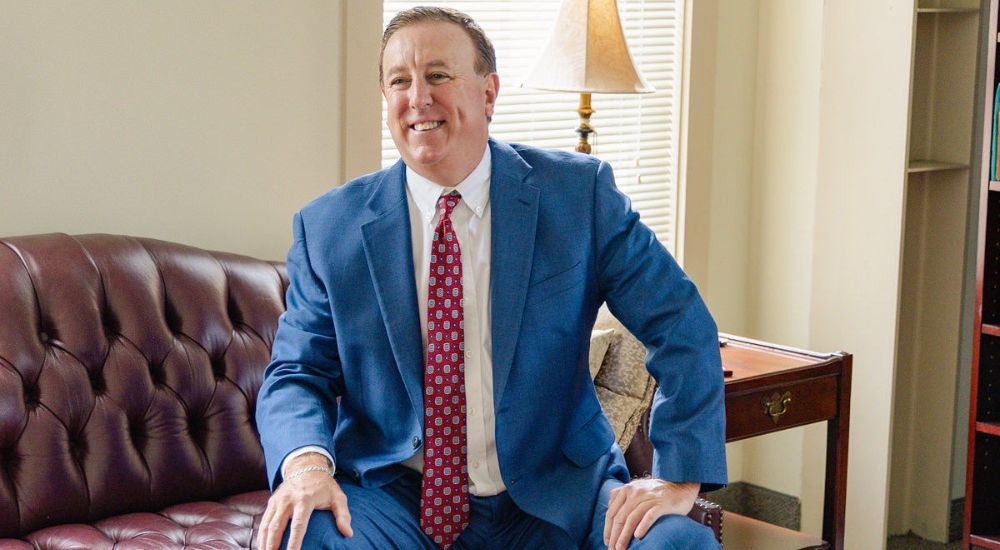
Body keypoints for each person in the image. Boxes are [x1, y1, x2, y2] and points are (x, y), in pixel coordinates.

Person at [255, 6, 726, 550]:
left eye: (438, 75)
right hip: (398, 497)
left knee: (677, 545)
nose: (418, 98)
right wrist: (307, 468)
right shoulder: (330, 227)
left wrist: (677, 476)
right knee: (302, 534)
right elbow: (296, 372)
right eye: (399, 81)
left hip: (559, 492)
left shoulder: (579, 197)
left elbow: (681, 321)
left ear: (489, 92)